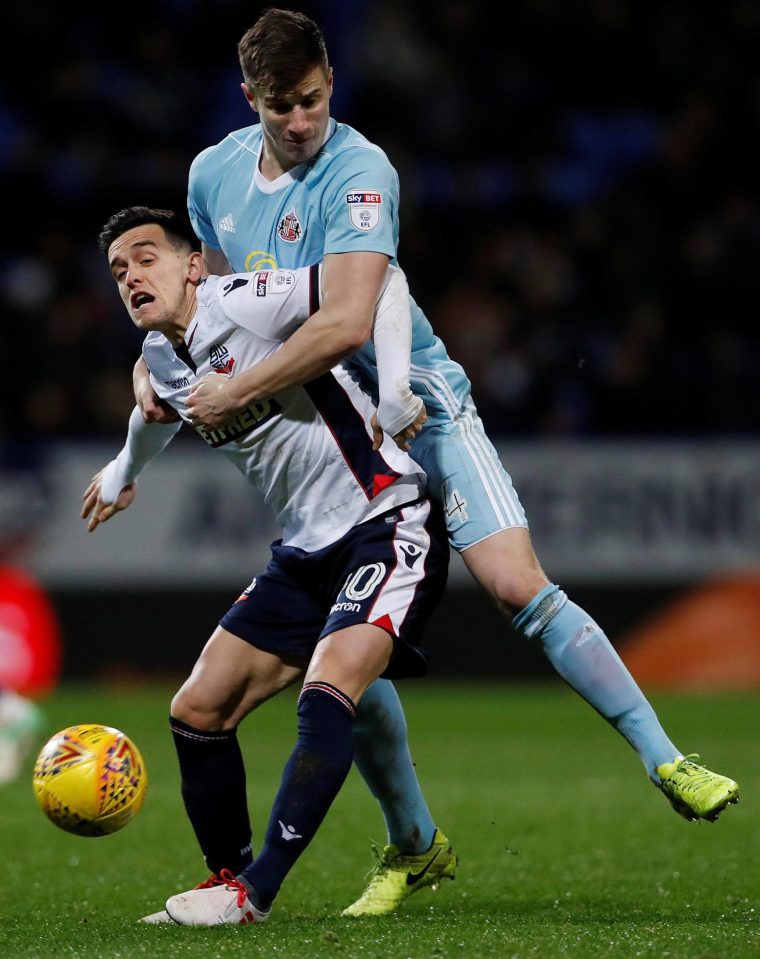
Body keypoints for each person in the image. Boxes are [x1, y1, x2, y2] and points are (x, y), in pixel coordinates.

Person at [141, 6, 739, 873]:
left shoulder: (360, 171)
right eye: (280, 107)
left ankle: (665, 758)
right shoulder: (211, 177)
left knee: (513, 583)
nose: (300, 121)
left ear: (331, 82)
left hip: (415, 402)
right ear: (249, 100)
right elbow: (216, 306)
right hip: (328, 433)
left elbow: (349, 317)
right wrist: (157, 381)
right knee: (347, 645)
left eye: (311, 100)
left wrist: (236, 388)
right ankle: (414, 844)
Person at [84, 205, 451, 925]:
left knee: (326, 694)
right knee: (196, 712)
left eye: (146, 256)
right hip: (305, 554)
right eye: (119, 269)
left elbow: (376, 284)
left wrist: (394, 386)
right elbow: (158, 411)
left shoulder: (245, 300)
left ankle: (255, 893)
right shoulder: (161, 355)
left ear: (194, 265)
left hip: (384, 519)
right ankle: (226, 878)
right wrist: (125, 468)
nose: (131, 275)